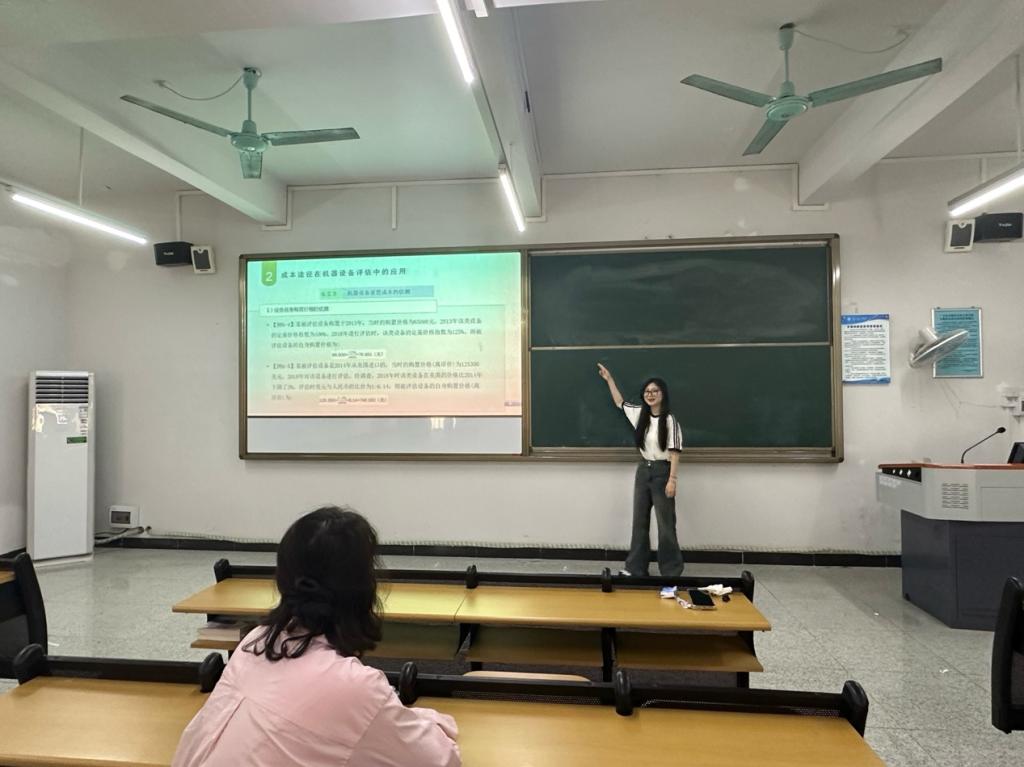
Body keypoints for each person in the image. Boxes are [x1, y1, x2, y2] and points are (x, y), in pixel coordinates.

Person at [171, 506, 461, 767]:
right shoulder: (353, 686)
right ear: (364, 590)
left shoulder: (255, 642)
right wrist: (432, 720)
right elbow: (439, 759)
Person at [597, 363, 684, 577]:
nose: (650, 395)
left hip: (663, 472)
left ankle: (671, 571)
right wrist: (609, 379)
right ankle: (636, 568)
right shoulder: (639, 415)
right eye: (647, 391)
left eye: (655, 391)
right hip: (643, 471)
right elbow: (619, 402)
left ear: (663, 395)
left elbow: (675, 452)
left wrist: (672, 479)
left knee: (665, 524)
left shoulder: (670, 420)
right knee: (639, 522)